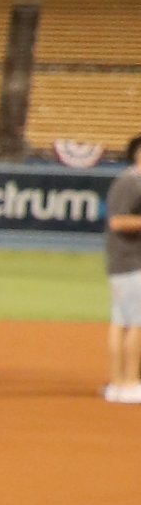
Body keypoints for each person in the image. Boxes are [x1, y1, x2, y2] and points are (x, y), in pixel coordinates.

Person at [107, 133, 141, 403]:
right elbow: (118, 222)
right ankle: (129, 383)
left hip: (126, 262)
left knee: (122, 322)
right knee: (135, 324)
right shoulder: (130, 182)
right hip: (130, 262)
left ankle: (119, 384)